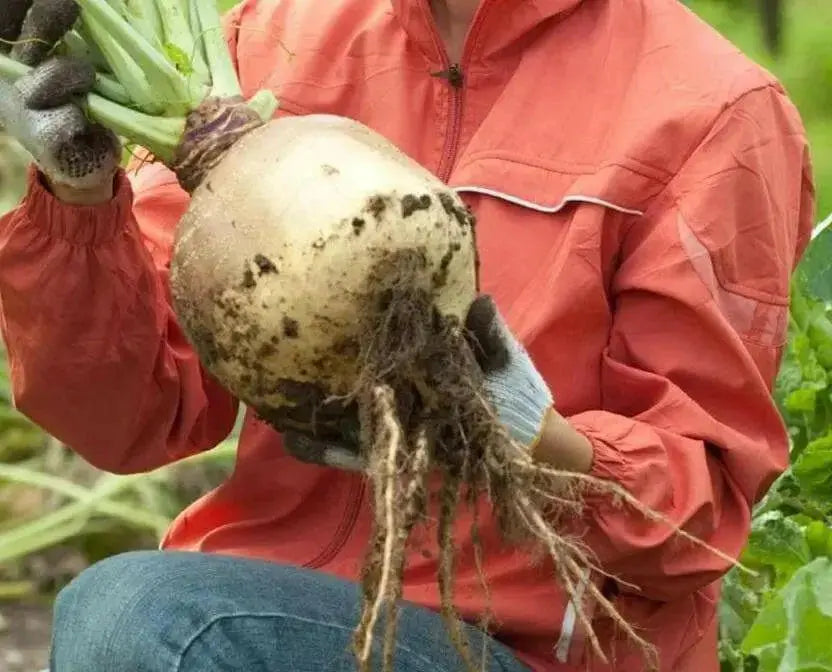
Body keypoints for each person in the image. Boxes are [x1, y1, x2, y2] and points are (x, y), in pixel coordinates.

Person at [0, 0, 816, 670]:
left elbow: (699, 523)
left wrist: (529, 433)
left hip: (525, 649)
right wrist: (80, 200)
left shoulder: (708, 109)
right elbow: (136, 413)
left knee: (144, 618)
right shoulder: (274, 36)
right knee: (142, 614)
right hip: (263, 603)